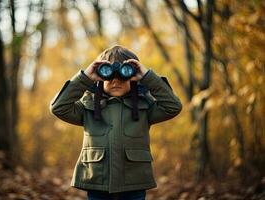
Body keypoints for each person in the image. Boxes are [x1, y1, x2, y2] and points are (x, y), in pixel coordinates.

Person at [50, 45, 182, 200]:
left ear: (134, 78)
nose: (115, 80)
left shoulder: (144, 107)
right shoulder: (88, 107)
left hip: (134, 182)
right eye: (108, 75)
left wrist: (147, 76)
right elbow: (58, 107)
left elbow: (173, 106)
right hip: (98, 181)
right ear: (99, 77)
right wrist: (85, 77)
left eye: (123, 75)